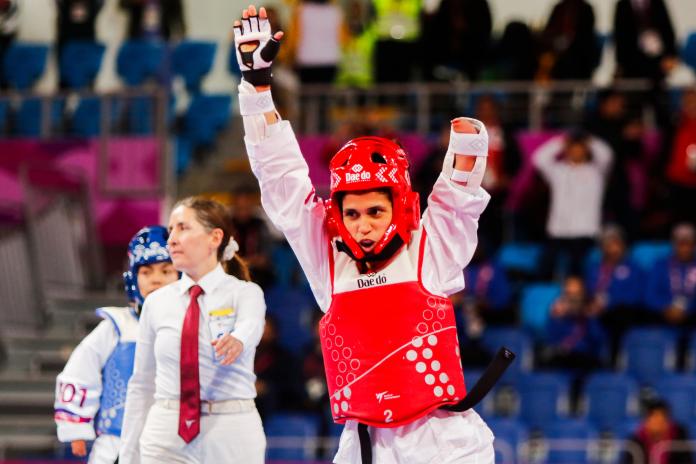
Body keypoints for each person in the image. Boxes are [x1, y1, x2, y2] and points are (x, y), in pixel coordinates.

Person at [234, 5, 494, 462]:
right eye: (352, 213)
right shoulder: (328, 262)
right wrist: (257, 90)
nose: (363, 224)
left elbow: (457, 201)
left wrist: (466, 159)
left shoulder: (429, 247)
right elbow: (283, 185)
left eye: (375, 210)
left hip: (444, 442)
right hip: (365, 444)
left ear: (400, 205)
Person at [119, 197, 267, 464]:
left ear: (214, 237)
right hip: (165, 430)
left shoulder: (245, 293)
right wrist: (128, 455)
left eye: (183, 228)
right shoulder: (156, 302)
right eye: (171, 229)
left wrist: (239, 340)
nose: (171, 239)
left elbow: (252, 324)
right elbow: (141, 384)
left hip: (231, 428)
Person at [54, 226, 178, 463]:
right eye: (146, 272)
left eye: (166, 270)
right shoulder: (117, 326)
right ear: (133, 278)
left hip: (175, 443)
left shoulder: (194, 325)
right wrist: (75, 426)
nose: (156, 279)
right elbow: (80, 371)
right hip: (117, 443)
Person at [533, 129, 613, 279]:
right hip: (558, 229)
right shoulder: (558, 170)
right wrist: (561, 142)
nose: (576, 152)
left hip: (585, 231)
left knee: (576, 273)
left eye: (580, 148)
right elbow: (539, 158)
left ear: (586, 150)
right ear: (567, 150)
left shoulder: (596, 171)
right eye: (572, 148)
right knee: (544, 270)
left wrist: (590, 139)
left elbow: (606, 154)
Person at [584, 225, 648, 362]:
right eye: (608, 244)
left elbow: (637, 296)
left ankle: (613, 361)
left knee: (618, 316)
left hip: (623, 315)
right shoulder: (593, 269)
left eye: (616, 243)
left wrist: (609, 303)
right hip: (598, 314)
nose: (613, 248)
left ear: (623, 245)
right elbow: (588, 292)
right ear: (601, 248)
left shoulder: (634, 268)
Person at [645, 223, 696, 326]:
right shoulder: (660, 265)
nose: (684, 248)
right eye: (681, 244)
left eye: (688, 244)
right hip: (664, 314)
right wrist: (666, 308)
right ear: (673, 244)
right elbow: (650, 294)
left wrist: (688, 309)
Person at [620, 398, 693, 464]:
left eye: (662, 420)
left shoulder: (679, 436)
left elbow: (686, 461)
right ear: (646, 421)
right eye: (654, 419)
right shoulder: (635, 441)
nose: (658, 424)